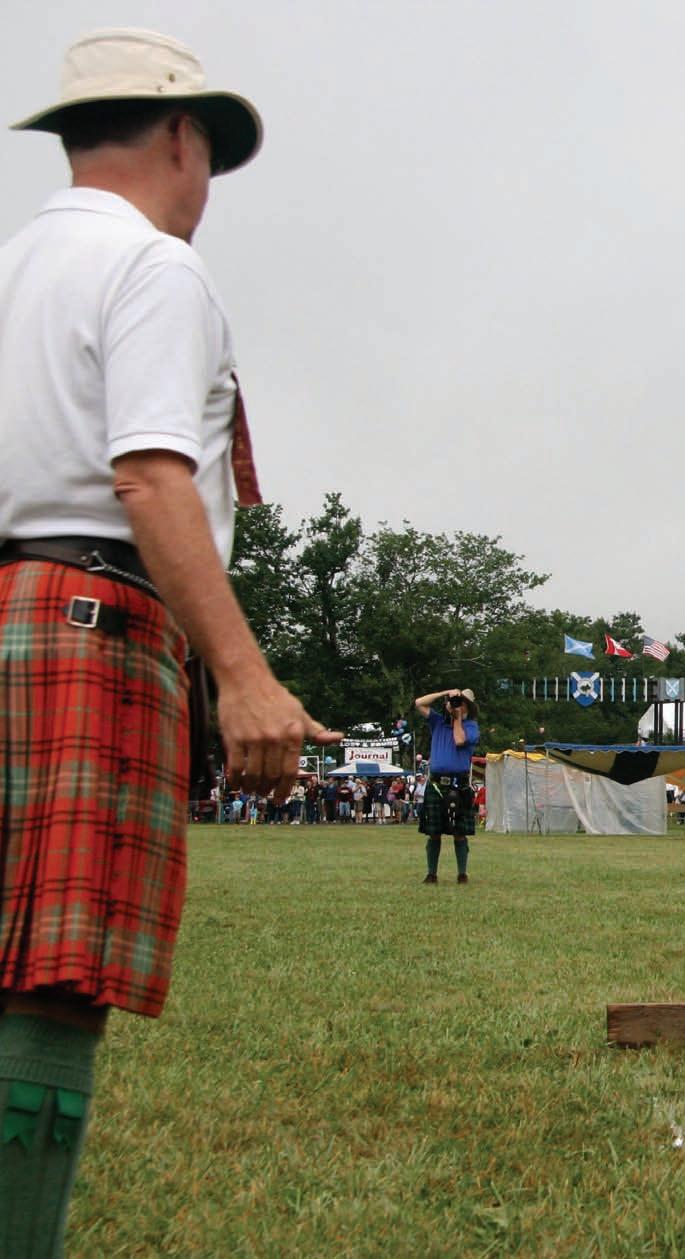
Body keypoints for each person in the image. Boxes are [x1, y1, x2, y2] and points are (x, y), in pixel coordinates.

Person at [0, 28, 340, 1252]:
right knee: (57, 975)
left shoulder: (15, 263)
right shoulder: (154, 267)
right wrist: (240, 675)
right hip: (90, 619)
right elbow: (149, 476)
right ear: (184, 137)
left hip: (12, 603)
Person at [414, 689, 480, 882]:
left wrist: (457, 717)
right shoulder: (438, 722)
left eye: (460, 702)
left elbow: (459, 740)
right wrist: (445, 693)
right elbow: (419, 703)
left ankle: (462, 874)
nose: (455, 704)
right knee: (434, 832)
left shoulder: (471, 726)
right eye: (453, 701)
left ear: (467, 707)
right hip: (436, 784)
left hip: (458, 785)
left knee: (459, 833)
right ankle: (431, 874)